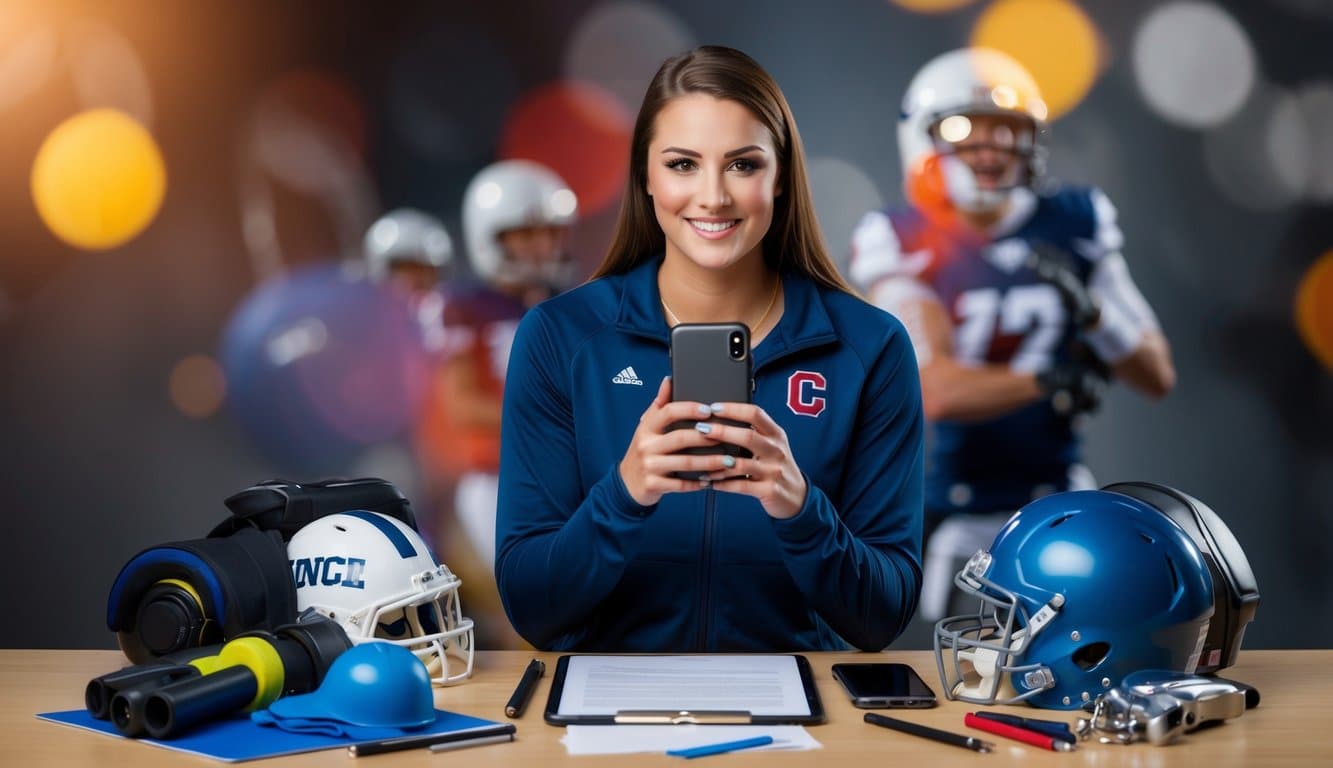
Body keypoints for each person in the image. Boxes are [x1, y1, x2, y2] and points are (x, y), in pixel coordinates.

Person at [495, 45, 924, 652]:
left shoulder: (871, 348)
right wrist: (625, 494)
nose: (714, 196)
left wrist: (801, 511)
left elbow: (884, 616)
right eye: (682, 164)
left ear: (780, 179)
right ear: (645, 175)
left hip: (807, 726)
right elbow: (531, 608)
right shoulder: (560, 338)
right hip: (606, 718)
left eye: (743, 165)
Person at [848, 47, 1176, 625]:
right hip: (949, 503)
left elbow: (1155, 374)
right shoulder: (903, 239)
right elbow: (933, 390)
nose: (990, 148)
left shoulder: (1075, 221)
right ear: (922, 139)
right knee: (960, 659)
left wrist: (1094, 311)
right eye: (965, 130)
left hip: (1059, 493)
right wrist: (1049, 379)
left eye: (1006, 130)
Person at [416, 159, 578, 648]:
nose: (543, 247)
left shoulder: (560, 304)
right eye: (527, 234)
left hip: (561, 475)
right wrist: (560, 420)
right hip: (491, 481)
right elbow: (461, 405)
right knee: (529, 612)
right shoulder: (463, 305)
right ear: (491, 236)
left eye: (549, 233)